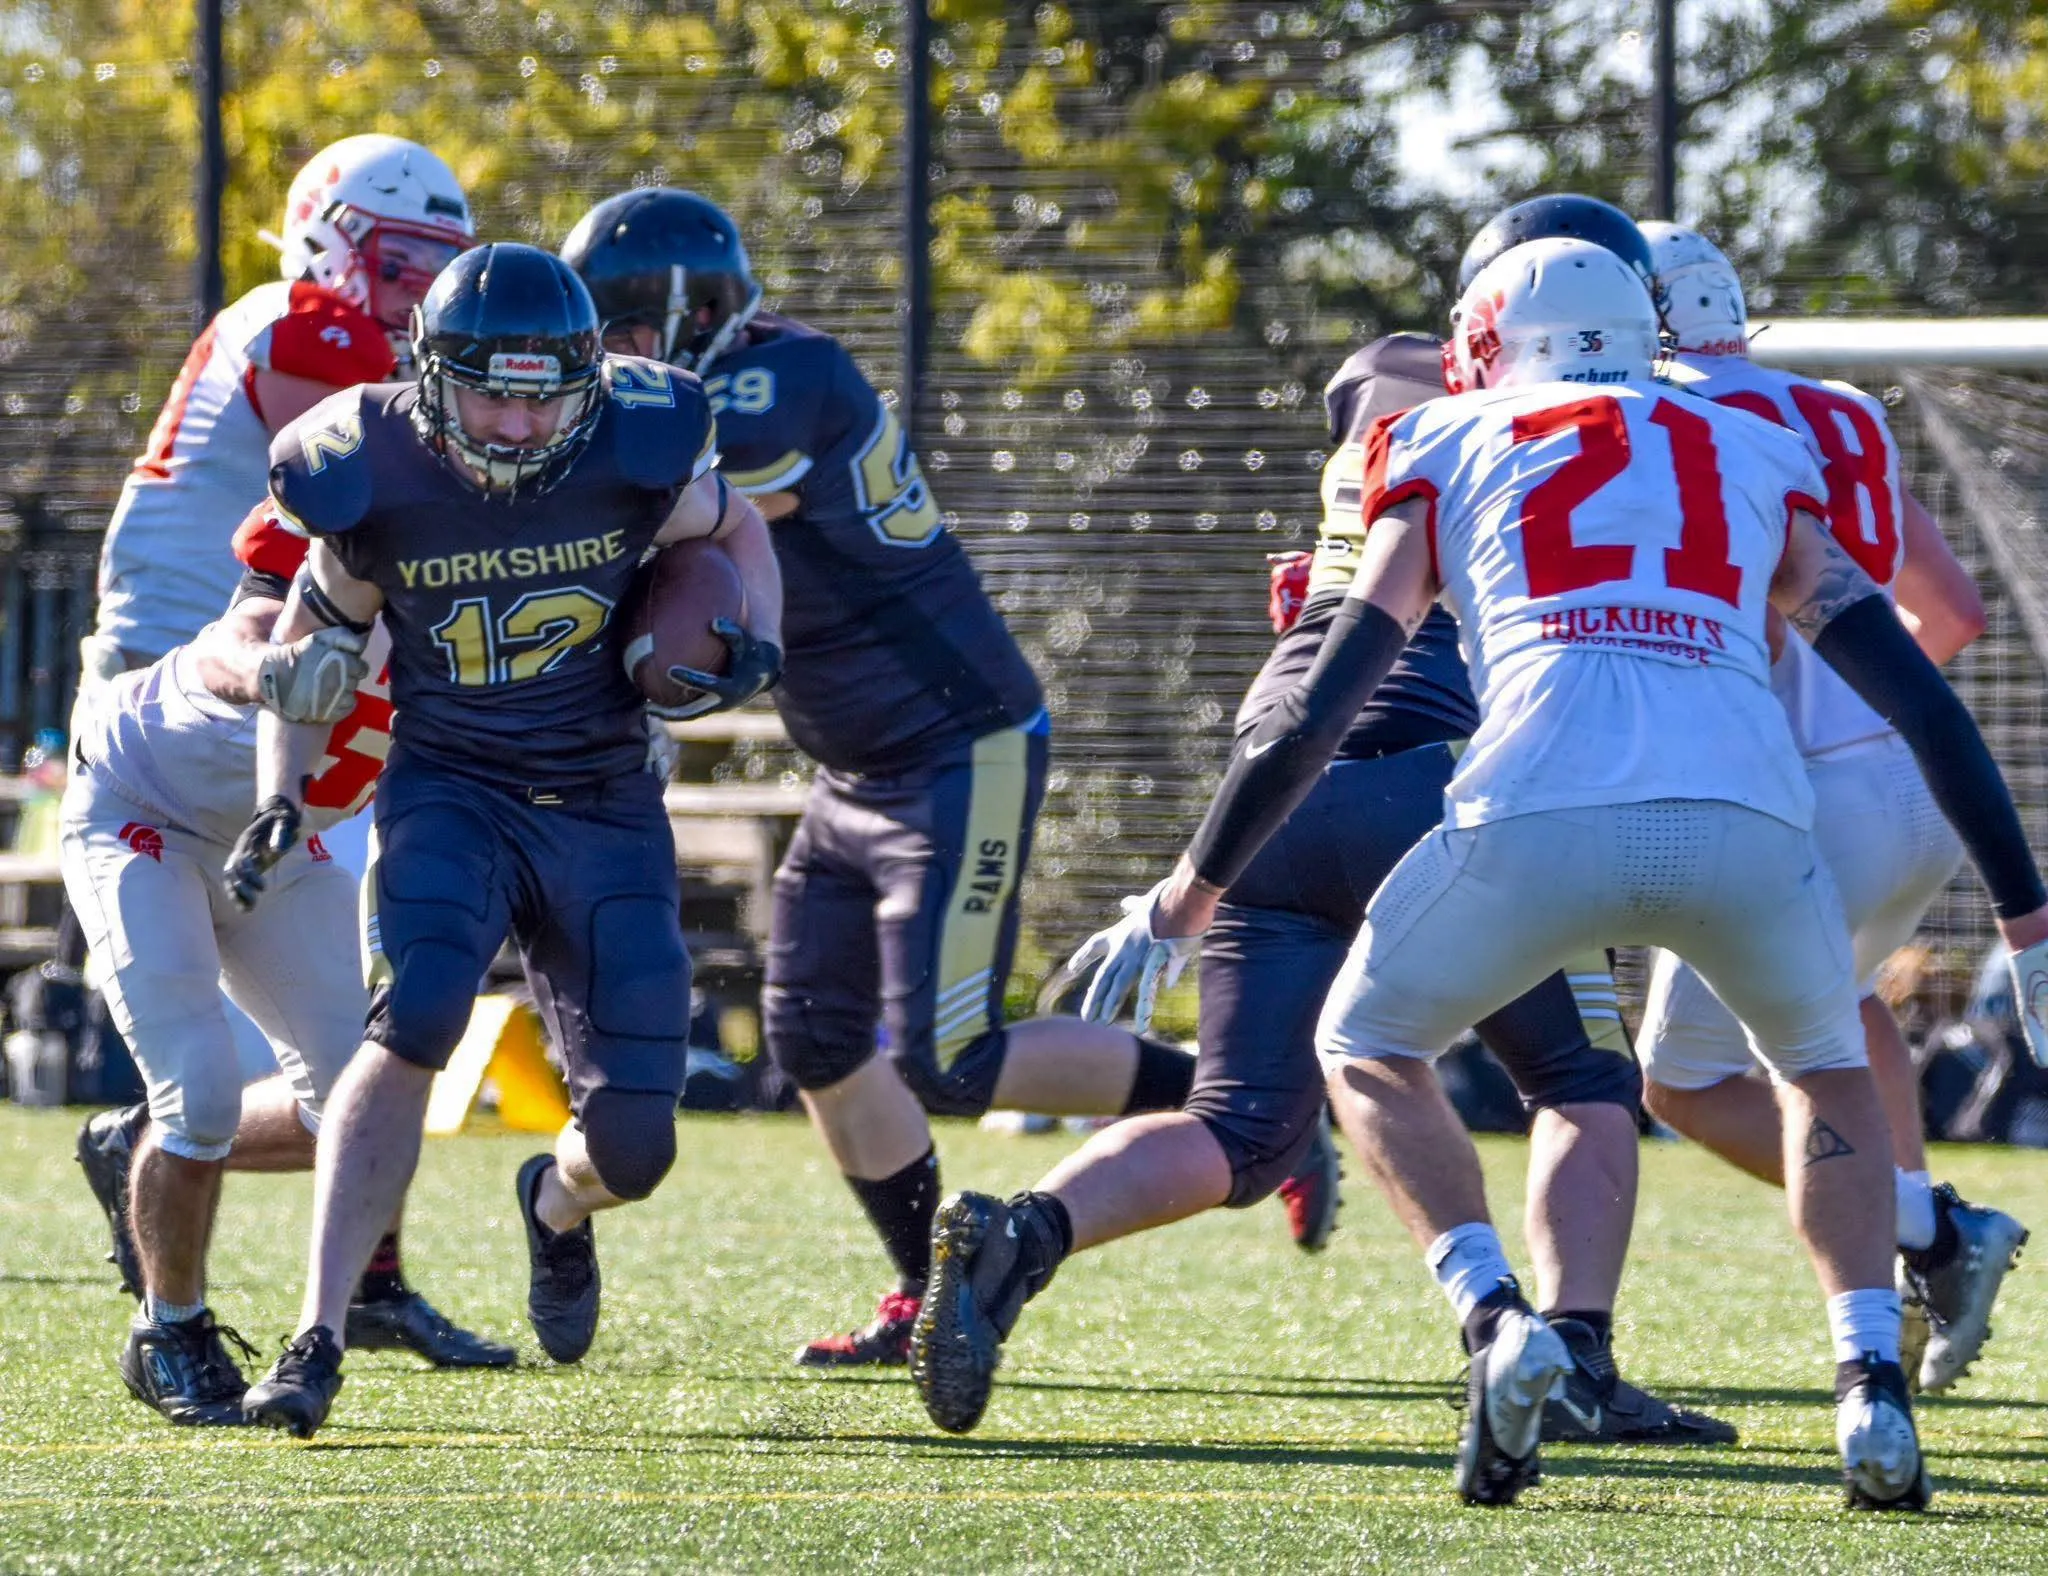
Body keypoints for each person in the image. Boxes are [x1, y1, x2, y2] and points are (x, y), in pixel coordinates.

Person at [915, 235, 2048, 1511]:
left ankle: (1492, 1316)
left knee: (1354, 1054)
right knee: (1806, 1066)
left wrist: (1186, 890)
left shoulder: (1435, 437)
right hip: (1745, 818)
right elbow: (1926, 698)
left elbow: (1322, 701)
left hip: (1513, 803)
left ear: (1490, 333)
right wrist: (2026, 915)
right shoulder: (1756, 440)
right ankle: (1858, 1385)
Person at [916, 205, 1729, 1451]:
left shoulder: (1397, 395)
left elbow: (1383, 385)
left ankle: (1024, 1232)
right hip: (1447, 774)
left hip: (1278, 771)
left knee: (1240, 1127)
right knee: (1579, 1080)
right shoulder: (1588, 419)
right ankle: (1571, 1357)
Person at [560, 188, 1334, 1371]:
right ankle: (923, 1293)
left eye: (622, 322)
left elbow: (678, 511)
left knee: (947, 1053)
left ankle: (1255, 1104)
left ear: (697, 309)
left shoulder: (784, 380)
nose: (610, 351)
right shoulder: (704, 383)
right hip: (853, 761)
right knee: (811, 1033)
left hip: (953, 740)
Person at [231, 241, 783, 1437]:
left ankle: (556, 1206)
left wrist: (758, 636)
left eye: (545, 393)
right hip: (453, 787)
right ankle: (316, 1333)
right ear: (430, 378)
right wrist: (281, 789)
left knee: (635, 1144)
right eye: (494, 391)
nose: (524, 421)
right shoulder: (361, 465)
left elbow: (739, 533)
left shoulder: (637, 444)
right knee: (416, 1011)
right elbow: (313, 646)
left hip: (603, 800)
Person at [72, 133, 501, 1367]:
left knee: (371, 1022)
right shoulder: (315, 331)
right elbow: (378, 503)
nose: (423, 290)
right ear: (328, 238)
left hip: (283, 666)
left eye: (441, 265)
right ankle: (193, 1189)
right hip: (204, 673)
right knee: (342, 1012)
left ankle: (349, 1266)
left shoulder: (325, 331)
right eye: (403, 259)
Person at [1632, 221, 2027, 1395]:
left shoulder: (1645, 422)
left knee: (1680, 1083)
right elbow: (1949, 615)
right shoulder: (1837, 410)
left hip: (1787, 795)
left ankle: (1927, 1231)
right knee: (1841, 1010)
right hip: (1906, 776)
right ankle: (1921, 1264)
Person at [62, 503, 514, 1423]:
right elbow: (243, 639)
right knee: (199, 1089)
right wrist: (277, 673)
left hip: (291, 839)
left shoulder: (503, 598)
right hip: (142, 812)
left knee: (354, 1107)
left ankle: (133, 1145)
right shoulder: (330, 566)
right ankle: (170, 1328)